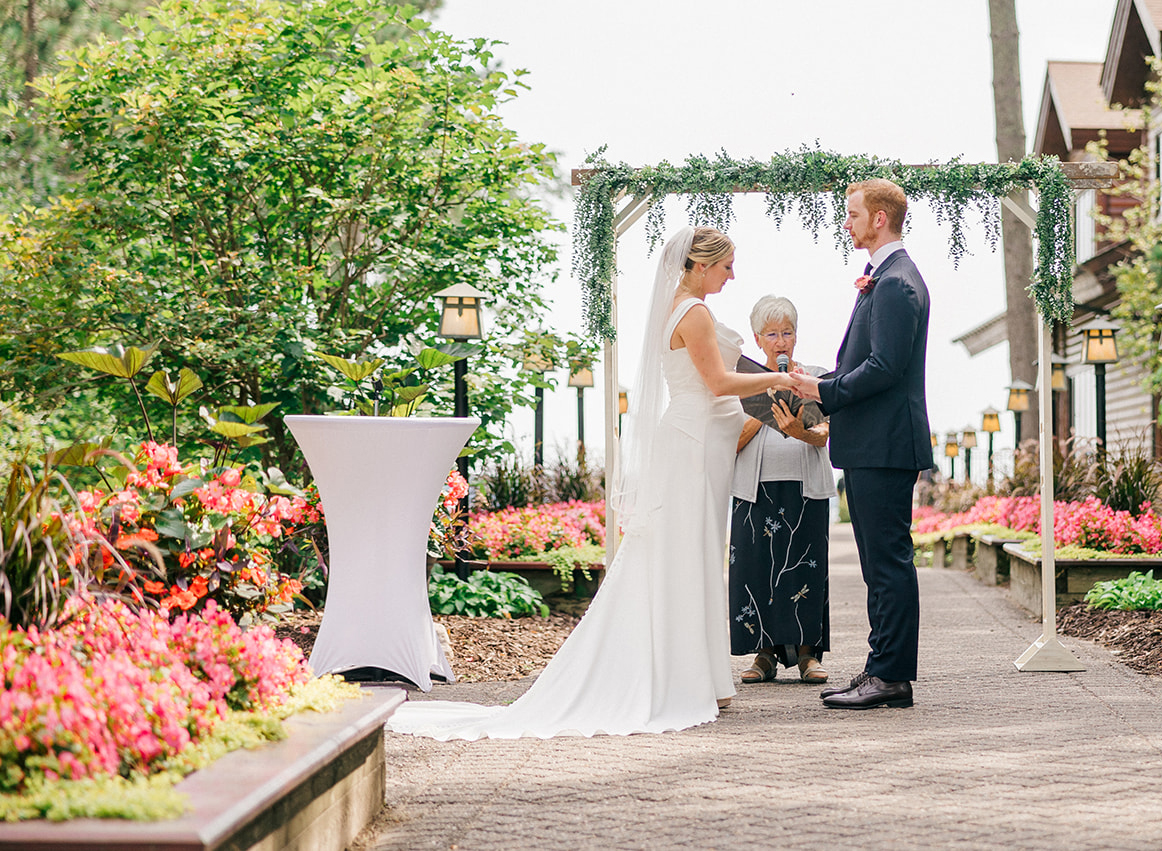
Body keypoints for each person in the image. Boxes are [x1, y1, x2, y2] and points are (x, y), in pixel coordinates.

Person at [388, 227, 800, 739]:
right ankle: (686, 677)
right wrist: (778, 379)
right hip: (693, 448)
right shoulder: (691, 313)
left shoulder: (685, 307)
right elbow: (716, 384)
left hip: (704, 448)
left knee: (692, 557)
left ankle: (705, 677)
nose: (732, 275)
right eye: (726, 265)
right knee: (683, 557)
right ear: (699, 264)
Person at [792, 178, 931, 710]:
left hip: (886, 444)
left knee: (889, 564)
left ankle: (891, 676)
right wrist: (821, 380)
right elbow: (869, 364)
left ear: (879, 218)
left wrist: (824, 391)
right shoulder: (887, 276)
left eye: (852, 215)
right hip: (876, 443)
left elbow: (886, 369)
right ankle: (881, 670)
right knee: (879, 565)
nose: (845, 223)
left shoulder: (897, 282)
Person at [730, 295, 836, 685]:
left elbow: (824, 435)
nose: (780, 341)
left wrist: (800, 430)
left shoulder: (816, 376)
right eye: (772, 334)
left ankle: (809, 654)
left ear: (796, 336)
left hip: (805, 486)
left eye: (787, 332)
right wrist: (766, 406)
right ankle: (763, 655)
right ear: (758, 339)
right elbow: (730, 442)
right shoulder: (740, 382)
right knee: (756, 569)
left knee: (805, 569)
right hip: (754, 489)